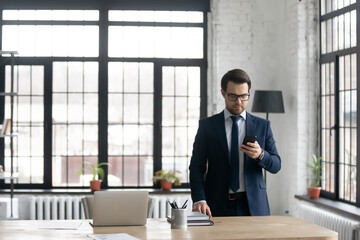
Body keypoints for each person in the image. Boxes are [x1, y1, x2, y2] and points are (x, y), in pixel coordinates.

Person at [189, 69, 281, 217]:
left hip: (254, 207)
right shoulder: (207, 126)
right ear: (223, 93)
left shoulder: (262, 126)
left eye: (244, 96)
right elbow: (196, 167)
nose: (239, 102)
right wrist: (199, 199)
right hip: (215, 205)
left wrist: (261, 155)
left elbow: (276, 165)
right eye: (233, 96)